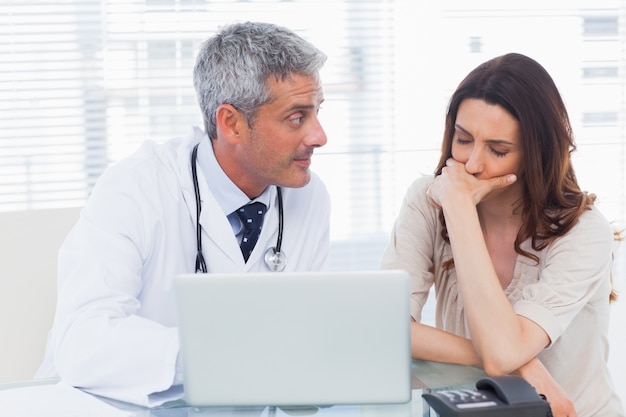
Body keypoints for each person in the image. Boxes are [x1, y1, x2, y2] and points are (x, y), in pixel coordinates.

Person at [35, 21, 330, 407]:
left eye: (317, 112)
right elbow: (83, 339)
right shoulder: (137, 187)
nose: (319, 136)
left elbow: (304, 331)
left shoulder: (308, 196)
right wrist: (214, 354)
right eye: (297, 117)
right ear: (231, 123)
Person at [381, 52, 624, 417]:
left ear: (536, 153)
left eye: (498, 150)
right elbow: (384, 328)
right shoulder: (426, 199)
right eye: (462, 140)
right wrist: (525, 364)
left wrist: (460, 209)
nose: (473, 164)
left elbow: (502, 352)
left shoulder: (584, 232)